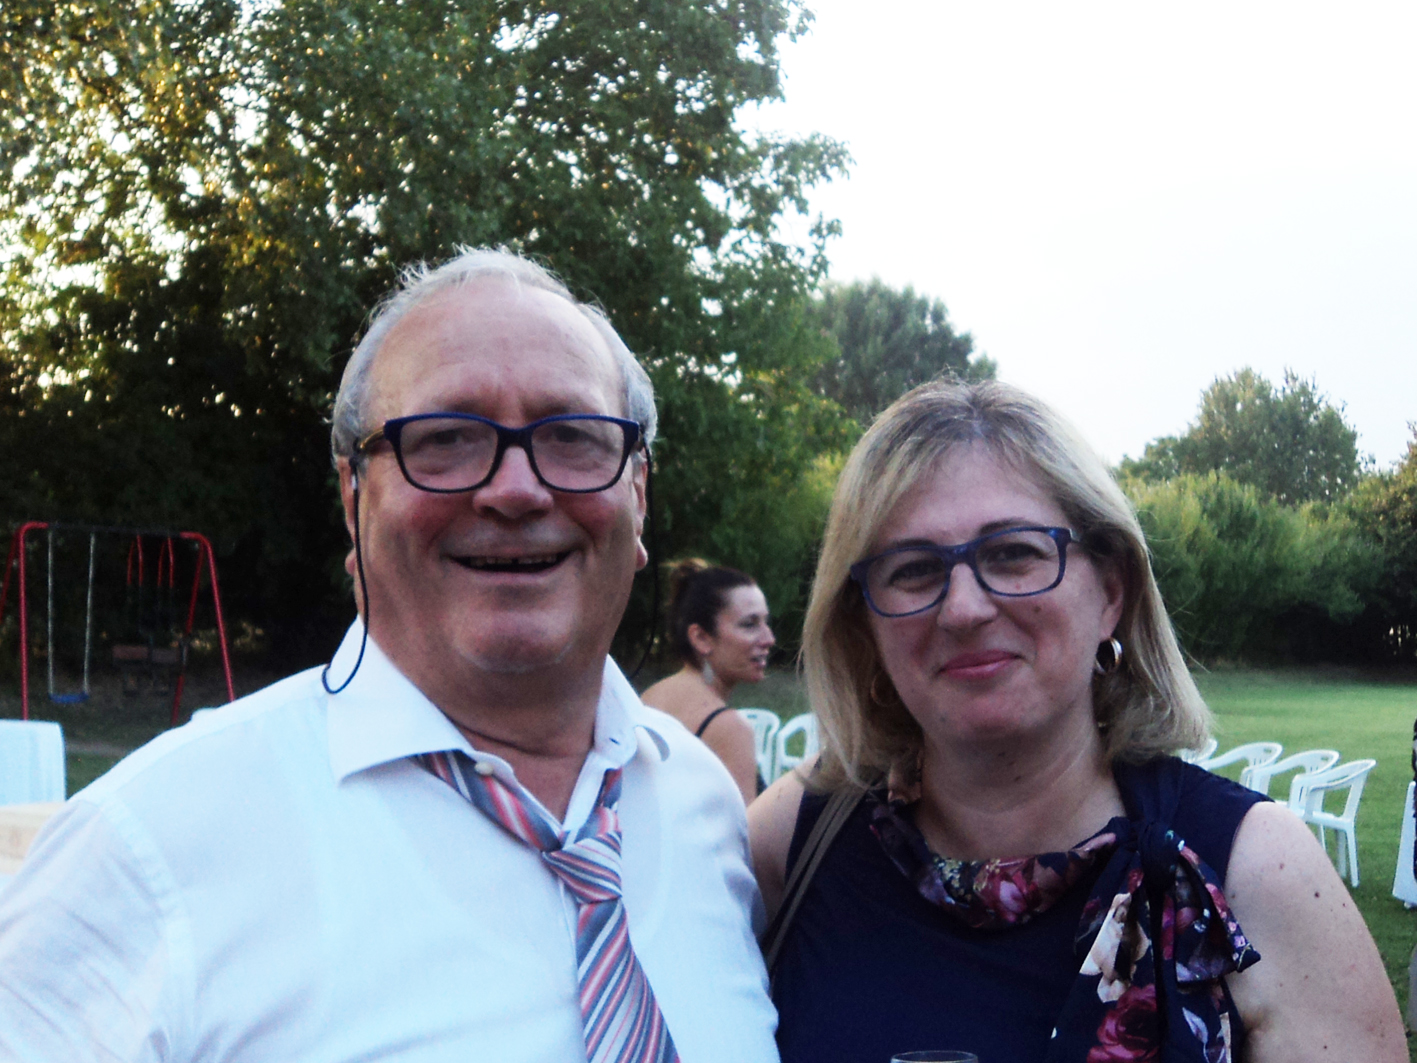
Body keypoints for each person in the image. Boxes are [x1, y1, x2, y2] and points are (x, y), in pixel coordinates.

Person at [0, 249, 779, 1062]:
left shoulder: (701, 809)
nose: (516, 489)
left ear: (638, 493)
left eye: (573, 436)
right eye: (445, 438)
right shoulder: (146, 847)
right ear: (352, 496)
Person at [749, 380, 1404, 1063]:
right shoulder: (795, 838)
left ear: (1110, 593)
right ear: (864, 623)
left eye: (1013, 552)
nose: (964, 609)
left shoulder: (1256, 869)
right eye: (913, 569)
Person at [641, 560, 776, 803]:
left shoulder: (650, 697)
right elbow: (745, 827)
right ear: (701, 638)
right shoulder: (730, 729)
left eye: (766, 622)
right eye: (750, 624)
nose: (769, 639)